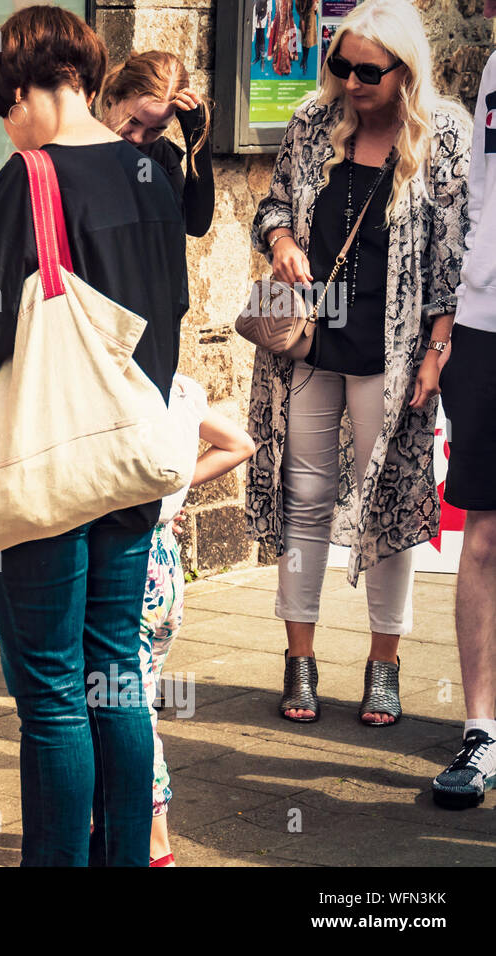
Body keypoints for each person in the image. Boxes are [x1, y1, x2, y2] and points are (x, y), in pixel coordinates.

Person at [0, 4, 189, 866]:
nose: (7, 125)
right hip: (127, 455)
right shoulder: (149, 173)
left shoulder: (31, 177)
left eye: (7, 105)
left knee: (52, 699)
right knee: (115, 677)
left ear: (33, 88)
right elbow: (171, 313)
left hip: (47, 463)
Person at [248, 0, 472, 727]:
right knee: (304, 495)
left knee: (389, 508)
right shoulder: (315, 124)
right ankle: (300, 658)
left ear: (404, 69)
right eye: (339, 65)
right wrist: (281, 243)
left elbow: (454, 261)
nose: (348, 82)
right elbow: (272, 207)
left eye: (365, 70)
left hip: (397, 349)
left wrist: (437, 352)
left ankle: (385, 663)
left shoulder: (444, 136)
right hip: (311, 341)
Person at [141, 376, 256, 867]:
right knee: (134, 700)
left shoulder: (120, 380)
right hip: (167, 566)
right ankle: (117, 825)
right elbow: (239, 443)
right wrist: (175, 488)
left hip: (134, 565)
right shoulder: (180, 386)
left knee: (129, 711)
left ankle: (155, 847)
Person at [432, 0, 496, 809]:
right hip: (485, 326)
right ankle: (481, 729)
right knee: (481, 532)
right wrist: (448, 319)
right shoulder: (493, 69)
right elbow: (477, 196)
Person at [100, 50, 215, 237]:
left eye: (155, 129)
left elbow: (195, 224)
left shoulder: (159, 154)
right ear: (113, 98)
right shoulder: (83, 147)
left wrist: (197, 136)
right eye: (133, 121)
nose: (137, 137)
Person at [254, 0, 272, 66]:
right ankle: (257, 57)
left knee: (261, 37)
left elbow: (269, 11)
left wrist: (269, 28)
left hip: (263, 15)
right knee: (257, 37)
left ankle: (262, 60)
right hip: (256, 14)